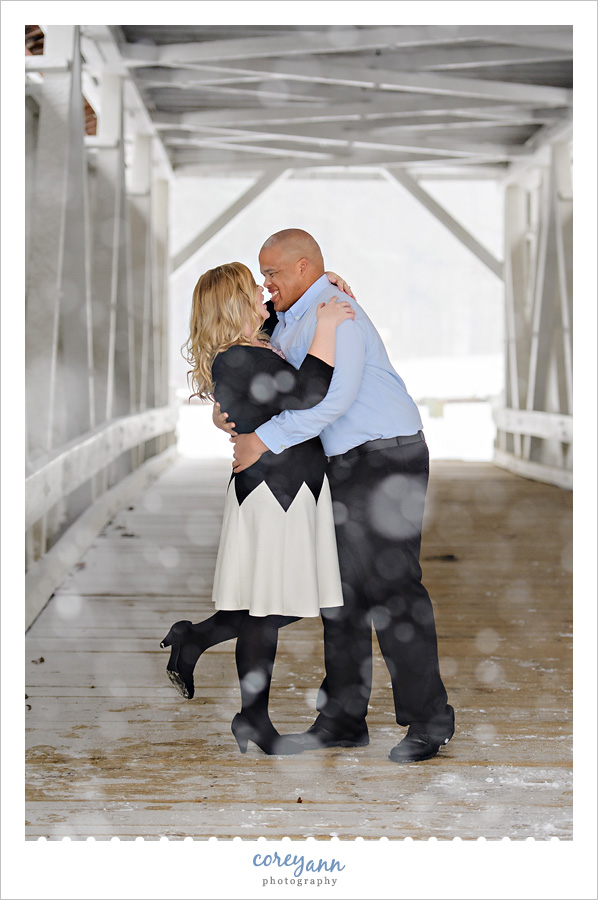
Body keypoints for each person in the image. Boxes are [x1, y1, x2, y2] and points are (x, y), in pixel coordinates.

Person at [222, 229, 455, 764]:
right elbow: (259, 360)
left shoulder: (337, 312)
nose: (266, 283)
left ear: (304, 267)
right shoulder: (290, 315)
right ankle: (344, 718)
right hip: (345, 463)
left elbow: (332, 399)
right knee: (342, 595)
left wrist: (265, 442)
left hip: (386, 457)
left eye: (273, 273)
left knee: (395, 590)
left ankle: (430, 720)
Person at [160, 261, 355, 756]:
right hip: (276, 492)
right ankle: (252, 717)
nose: (262, 295)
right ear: (234, 305)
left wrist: (328, 287)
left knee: (274, 604)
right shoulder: (240, 357)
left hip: (290, 486)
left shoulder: (250, 346)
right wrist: (329, 326)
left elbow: (275, 317)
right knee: (270, 609)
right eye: (252, 291)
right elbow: (308, 393)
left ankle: (197, 640)